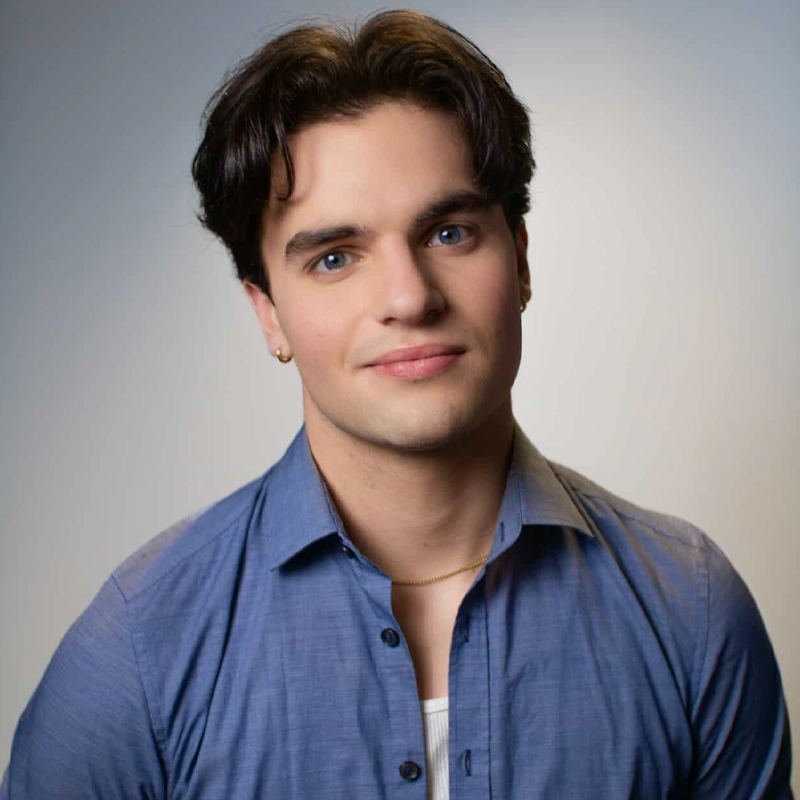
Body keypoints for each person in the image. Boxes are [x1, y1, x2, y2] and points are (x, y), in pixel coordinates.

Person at [1, 9, 792, 799]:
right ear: (267, 311)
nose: (408, 298)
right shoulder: (141, 645)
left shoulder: (689, 609)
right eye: (335, 258)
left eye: (449, 233)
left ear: (520, 260)